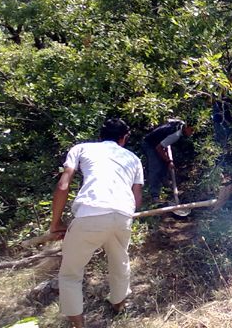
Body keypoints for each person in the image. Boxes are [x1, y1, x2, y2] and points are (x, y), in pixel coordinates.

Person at [49, 118, 143, 328]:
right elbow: (136, 198)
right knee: (120, 262)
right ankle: (119, 303)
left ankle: (78, 324)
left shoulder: (81, 148)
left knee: (70, 273)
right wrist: (124, 216)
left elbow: (64, 186)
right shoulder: (134, 158)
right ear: (124, 138)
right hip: (122, 215)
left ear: (100, 136)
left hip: (90, 213)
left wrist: (56, 223)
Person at [141, 119, 194, 203]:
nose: (192, 133)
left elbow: (168, 120)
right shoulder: (175, 135)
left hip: (159, 143)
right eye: (191, 130)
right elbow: (159, 148)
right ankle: (155, 196)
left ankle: (168, 188)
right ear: (186, 127)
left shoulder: (180, 123)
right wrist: (169, 161)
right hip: (149, 144)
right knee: (156, 167)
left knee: (163, 164)